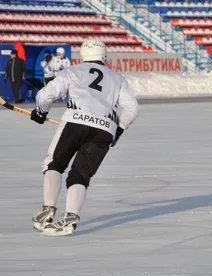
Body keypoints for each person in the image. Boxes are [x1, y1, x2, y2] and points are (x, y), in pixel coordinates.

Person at [30, 39, 140, 236]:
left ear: (82, 55)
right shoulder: (117, 78)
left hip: (74, 122)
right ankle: (70, 217)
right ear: (104, 55)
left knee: (54, 164)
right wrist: (118, 129)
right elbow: (132, 108)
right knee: (81, 174)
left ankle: (47, 211)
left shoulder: (73, 71)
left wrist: (40, 112)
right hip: (104, 130)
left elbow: (46, 95)